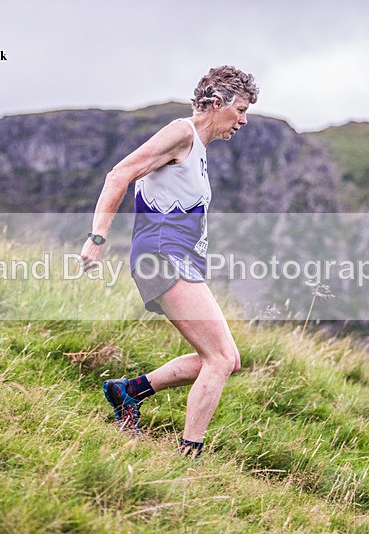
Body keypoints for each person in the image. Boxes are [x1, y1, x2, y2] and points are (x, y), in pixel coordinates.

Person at [80, 66, 259, 457]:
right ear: (216, 103)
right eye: (241, 110)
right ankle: (188, 455)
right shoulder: (181, 133)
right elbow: (119, 174)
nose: (244, 120)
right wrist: (97, 238)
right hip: (162, 258)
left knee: (227, 358)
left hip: (179, 260)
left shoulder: (199, 149)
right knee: (220, 359)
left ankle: (129, 391)